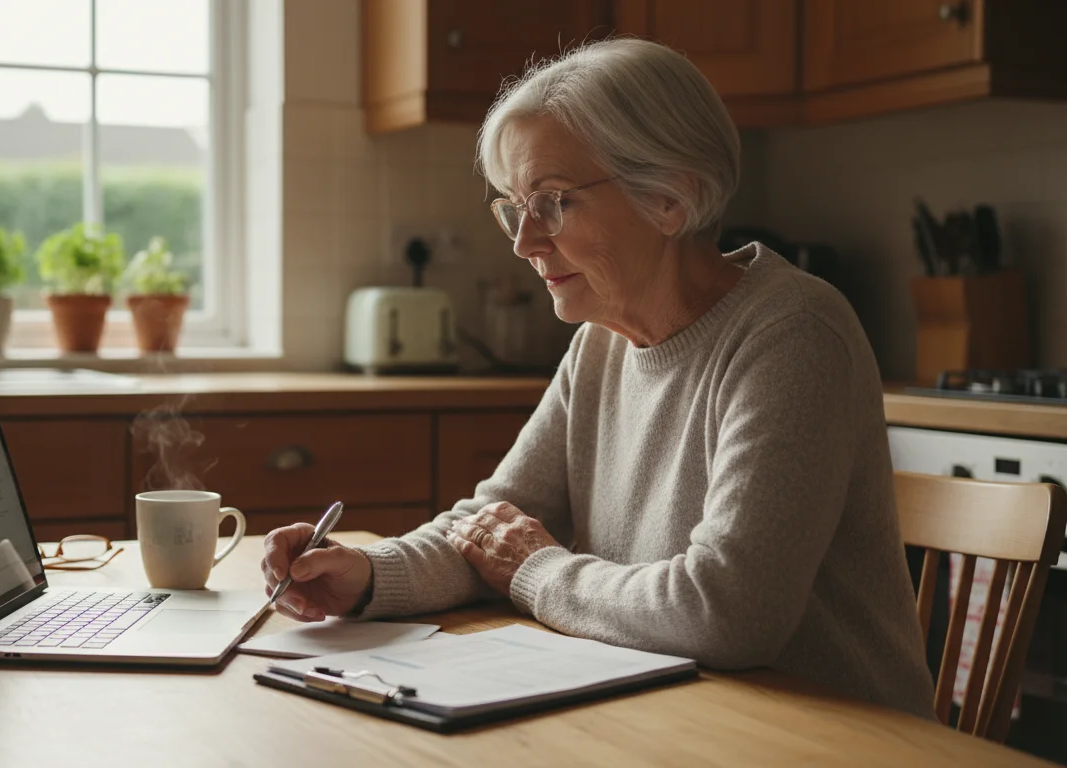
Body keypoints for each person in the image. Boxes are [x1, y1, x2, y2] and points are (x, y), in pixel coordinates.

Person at [261, 38, 935, 719]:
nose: (524, 242)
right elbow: (492, 527)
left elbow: (728, 614)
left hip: (832, 735)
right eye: (513, 206)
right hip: (681, 716)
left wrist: (537, 571)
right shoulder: (600, 345)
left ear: (670, 198)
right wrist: (371, 575)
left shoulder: (794, 333)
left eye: (553, 202)